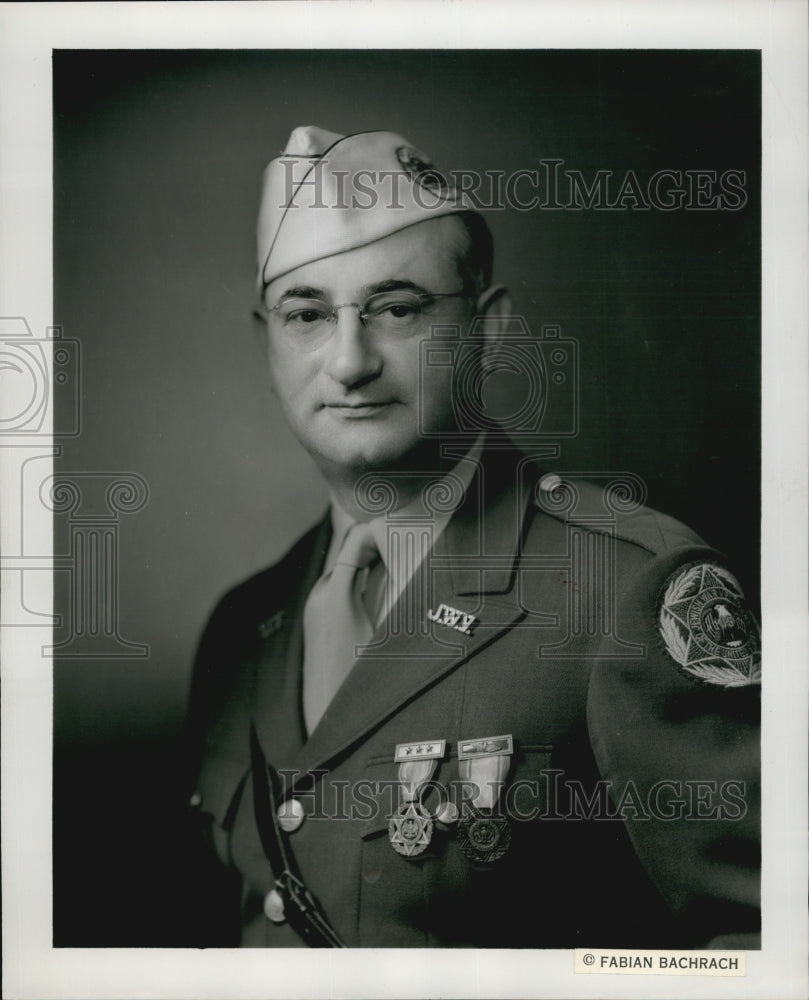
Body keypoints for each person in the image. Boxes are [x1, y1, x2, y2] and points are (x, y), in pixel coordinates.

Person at [185, 126, 760, 948]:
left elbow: (760, 955)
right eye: (305, 313)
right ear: (266, 343)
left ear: (487, 330)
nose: (348, 361)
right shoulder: (243, 630)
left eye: (394, 308)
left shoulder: (623, 587)